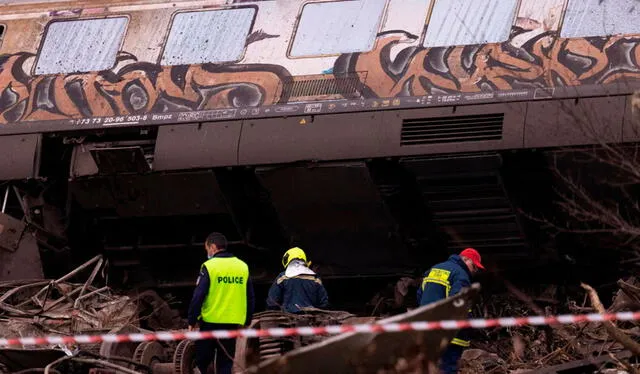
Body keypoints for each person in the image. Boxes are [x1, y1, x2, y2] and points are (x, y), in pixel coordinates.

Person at [188, 232, 255, 374]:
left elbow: (198, 296)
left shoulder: (209, 266)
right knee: (225, 363)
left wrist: (192, 320)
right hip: (232, 323)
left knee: (202, 362)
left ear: (212, 247)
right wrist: (247, 320)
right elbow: (250, 296)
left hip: (210, 322)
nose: (207, 252)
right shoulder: (242, 266)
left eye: (207, 249)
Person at [417, 248, 484, 374]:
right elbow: (459, 304)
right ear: (465, 259)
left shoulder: (433, 269)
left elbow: (420, 295)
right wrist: (470, 326)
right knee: (448, 367)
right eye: (474, 266)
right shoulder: (460, 275)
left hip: (426, 329)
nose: (475, 271)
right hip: (448, 333)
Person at [266, 247, 329, 313]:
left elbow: (272, 302)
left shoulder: (283, 277)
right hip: (311, 319)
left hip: (288, 319)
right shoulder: (315, 278)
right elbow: (324, 303)